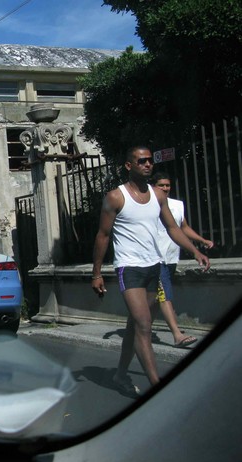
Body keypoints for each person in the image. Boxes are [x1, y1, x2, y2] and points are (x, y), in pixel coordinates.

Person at [91, 146, 210, 397]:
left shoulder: (158, 195)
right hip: (129, 268)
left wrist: (195, 250)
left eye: (149, 161)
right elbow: (103, 236)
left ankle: (121, 375)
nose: (147, 165)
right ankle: (158, 387)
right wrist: (97, 273)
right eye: (141, 161)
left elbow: (173, 228)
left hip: (153, 266)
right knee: (144, 325)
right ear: (128, 166)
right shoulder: (116, 197)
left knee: (135, 325)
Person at [153, 173, 214, 348]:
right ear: (153, 186)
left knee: (158, 297)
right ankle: (177, 334)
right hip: (156, 258)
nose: (165, 188)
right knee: (165, 296)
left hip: (172, 258)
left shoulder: (177, 205)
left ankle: (141, 329)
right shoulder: (149, 205)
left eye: (167, 185)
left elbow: (183, 227)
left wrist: (202, 241)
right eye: (161, 185)